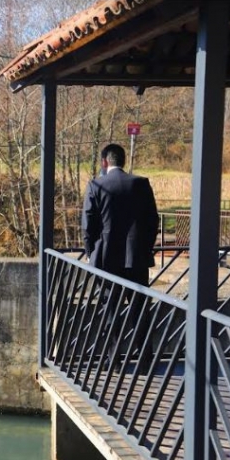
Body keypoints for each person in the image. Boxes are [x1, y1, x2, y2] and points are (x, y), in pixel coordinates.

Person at [81, 143, 159, 373]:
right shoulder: (141, 184)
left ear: (104, 162)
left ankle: (114, 362)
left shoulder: (96, 185)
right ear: (123, 161)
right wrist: (144, 248)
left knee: (111, 311)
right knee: (140, 310)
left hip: (107, 260)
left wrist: (92, 253)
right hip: (136, 258)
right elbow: (152, 221)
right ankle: (144, 362)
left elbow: (88, 225)